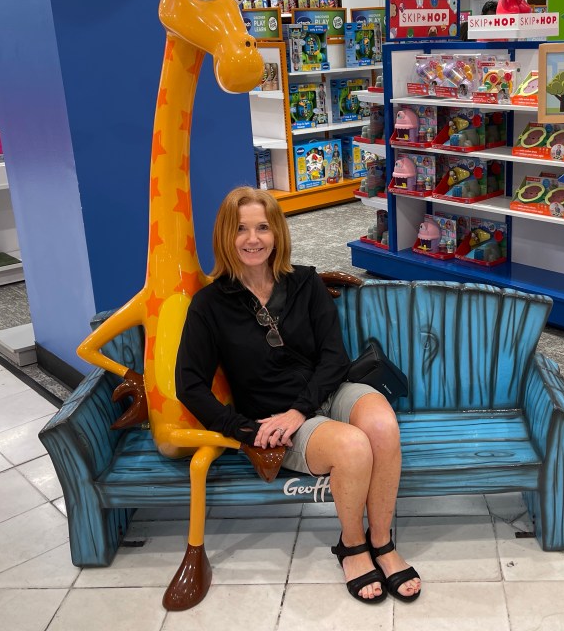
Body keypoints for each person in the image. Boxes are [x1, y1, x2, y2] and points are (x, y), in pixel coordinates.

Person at [175, 187, 422, 604]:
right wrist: (243, 431)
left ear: (277, 232)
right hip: (276, 420)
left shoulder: (304, 281)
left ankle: (382, 542)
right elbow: (190, 385)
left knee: (382, 424)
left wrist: (301, 408)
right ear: (224, 236)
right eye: (240, 229)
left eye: (262, 227)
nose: (252, 239)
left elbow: (334, 356)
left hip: (327, 393)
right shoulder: (209, 305)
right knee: (352, 447)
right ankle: (352, 546)